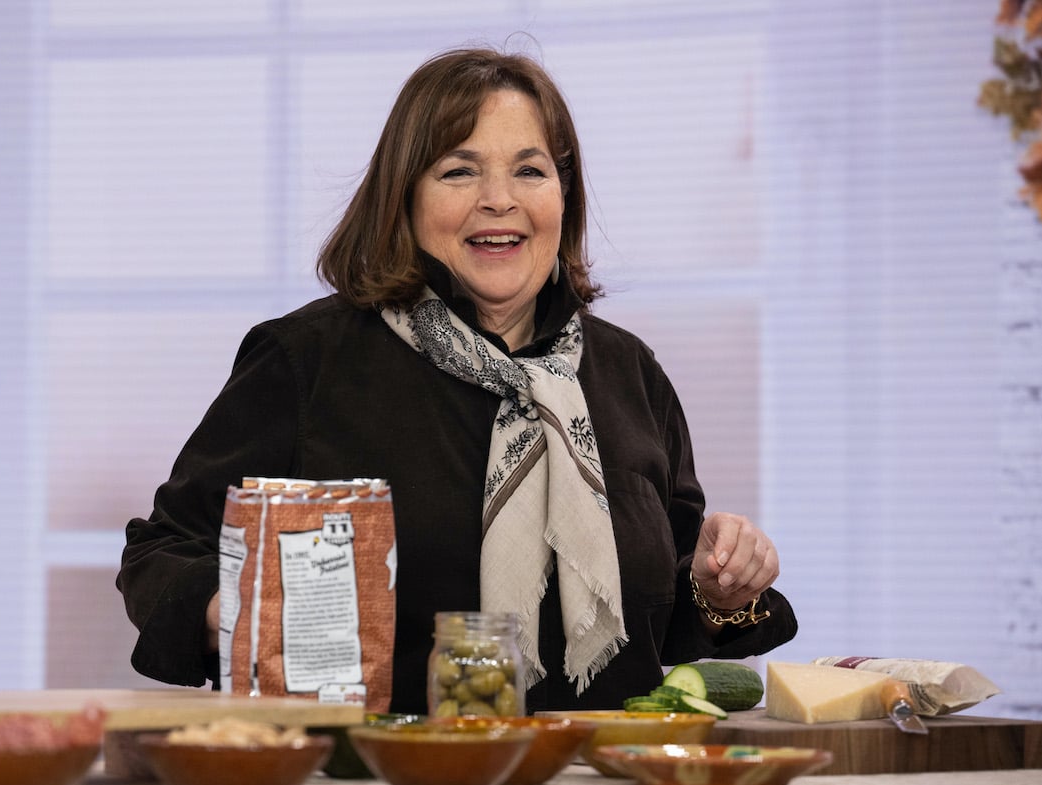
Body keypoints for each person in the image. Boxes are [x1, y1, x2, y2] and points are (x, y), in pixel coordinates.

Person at [117, 45, 797, 714]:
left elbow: (658, 617)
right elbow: (162, 552)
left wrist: (720, 589)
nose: (497, 200)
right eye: (458, 172)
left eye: (529, 170)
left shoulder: (628, 373)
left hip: (601, 781)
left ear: (562, 195)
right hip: (383, 779)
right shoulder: (305, 361)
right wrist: (244, 609)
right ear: (404, 197)